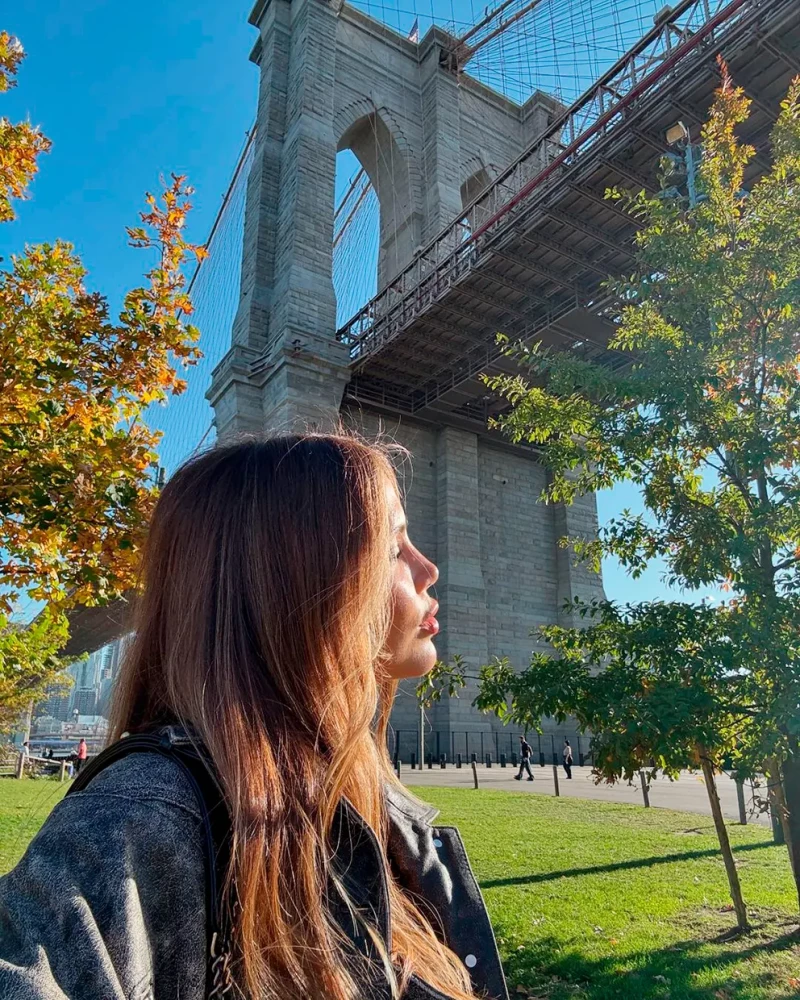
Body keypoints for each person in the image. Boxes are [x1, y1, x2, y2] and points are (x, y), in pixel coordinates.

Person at [0, 435, 509, 1000]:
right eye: (394, 548)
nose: (430, 569)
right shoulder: (147, 812)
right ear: (299, 581)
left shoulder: (368, 802)